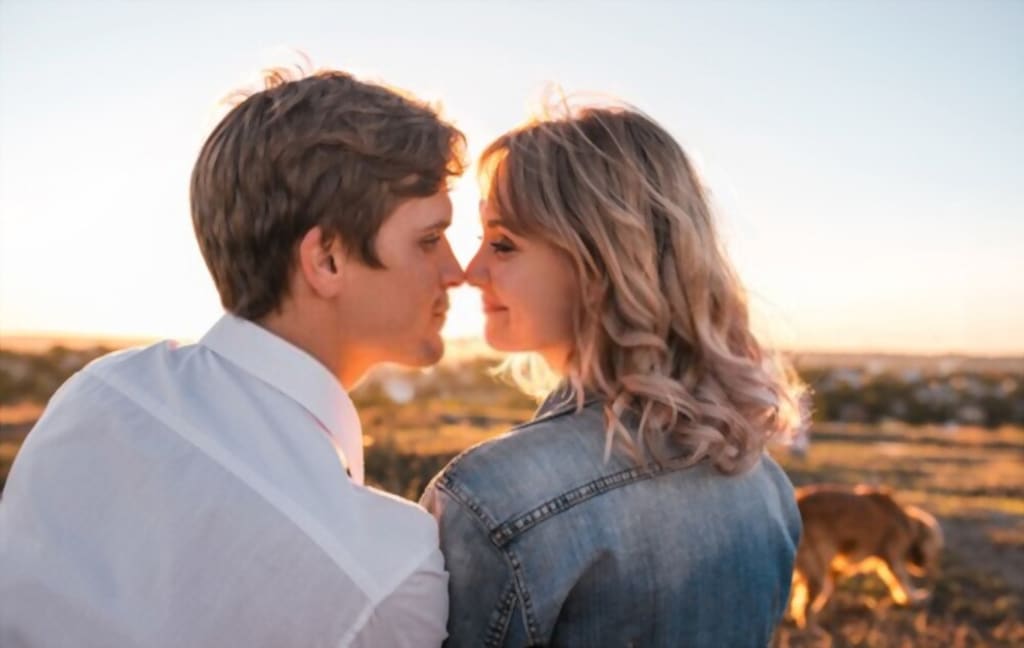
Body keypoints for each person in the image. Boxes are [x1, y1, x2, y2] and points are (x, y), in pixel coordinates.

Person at [0, 67, 466, 647]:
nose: (457, 271)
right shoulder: (383, 572)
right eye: (428, 240)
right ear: (327, 261)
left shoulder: (99, 393)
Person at [421, 103, 805, 647]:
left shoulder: (494, 499)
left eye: (502, 243)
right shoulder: (764, 485)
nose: (471, 270)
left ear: (600, 262)